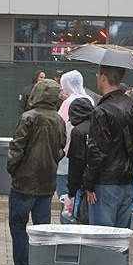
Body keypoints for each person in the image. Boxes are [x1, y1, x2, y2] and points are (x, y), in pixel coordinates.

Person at [5, 78, 64, 265]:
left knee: (18, 225)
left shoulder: (28, 118)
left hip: (24, 183)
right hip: (47, 183)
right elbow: (61, 147)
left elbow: (17, 147)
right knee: (42, 229)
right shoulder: (58, 119)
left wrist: (12, 168)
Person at [82, 66, 133, 229]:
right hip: (128, 180)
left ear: (103, 77)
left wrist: (89, 183)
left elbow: (97, 151)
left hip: (105, 182)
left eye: (98, 74)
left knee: (102, 238)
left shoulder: (101, 111)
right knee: (121, 238)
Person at [55, 70, 92, 223]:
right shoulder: (89, 99)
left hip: (66, 159)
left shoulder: (67, 103)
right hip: (85, 157)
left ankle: (66, 232)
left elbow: (59, 127)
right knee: (80, 200)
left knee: (66, 200)